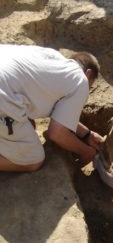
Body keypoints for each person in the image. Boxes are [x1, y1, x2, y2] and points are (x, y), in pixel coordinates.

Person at [0, 44, 103, 172]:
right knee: (33, 160)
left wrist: (87, 134)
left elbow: (58, 111)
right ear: (88, 73)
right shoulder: (81, 80)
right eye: (90, 86)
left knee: (29, 125)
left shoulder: (52, 57)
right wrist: (86, 152)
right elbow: (56, 134)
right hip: (2, 94)